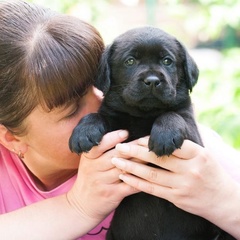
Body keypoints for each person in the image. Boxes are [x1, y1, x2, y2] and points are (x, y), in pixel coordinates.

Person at [0, 1, 239, 239]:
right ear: (11, 137)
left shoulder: (198, 162)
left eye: (98, 85)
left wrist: (222, 200)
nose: (97, 104)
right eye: (71, 109)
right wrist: (77, 206)